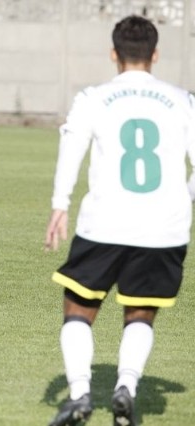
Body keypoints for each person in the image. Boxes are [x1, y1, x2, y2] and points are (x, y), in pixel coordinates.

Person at [45, 15, 195, 426]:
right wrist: (182, 198)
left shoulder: (93, 97)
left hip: (105, 223)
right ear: (156, 55)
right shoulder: (183, 99)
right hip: (165, 226)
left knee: (78, 309)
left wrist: (60, 204)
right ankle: (126, 386)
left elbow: (71, 147)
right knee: (141, 313)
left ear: (114, 54)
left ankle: (78, 395)